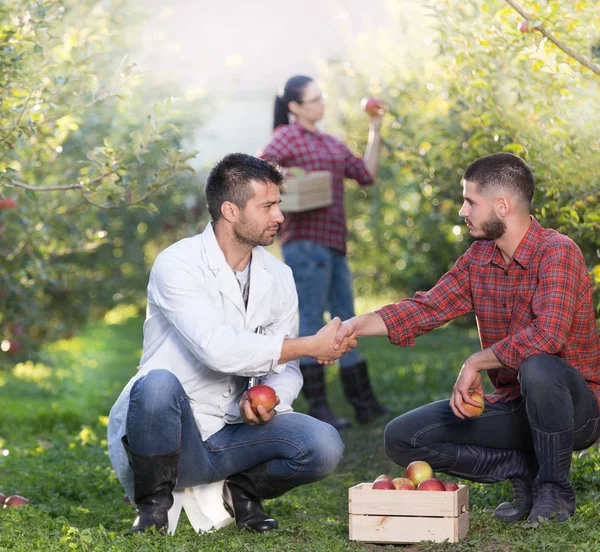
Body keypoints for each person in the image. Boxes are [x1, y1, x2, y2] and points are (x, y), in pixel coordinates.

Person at [334, 152, 600, 524]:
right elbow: (428, 308)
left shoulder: (557, 252)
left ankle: (554, 490)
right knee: (403, 437)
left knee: (539, 366)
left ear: (502, 205)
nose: (462, 211)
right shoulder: (479, 258)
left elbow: (548, 336)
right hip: (515, 404)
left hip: (577, 411)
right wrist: (356, 325)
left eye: (470, 201)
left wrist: (476, 360)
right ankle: (521, 468)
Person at [107, 153, 355, 535]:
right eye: (268, 206)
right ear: (231, 211)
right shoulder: (178, 263)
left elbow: (283, 368)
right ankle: (153, 510)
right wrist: (307, 345)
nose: (280, 216)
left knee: (323, 445)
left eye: (279, 204)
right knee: (156, 384)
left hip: (232, 433)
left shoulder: (279, 275)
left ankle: (240, 491)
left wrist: (270, 396)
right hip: (171, 436)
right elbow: (216, 348)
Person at [257, 75, 388, 430]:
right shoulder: (286, 136)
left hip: (334, 243)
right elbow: (257, 172)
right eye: (313, 99)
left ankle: (363, 403)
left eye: (321, 97)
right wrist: (289, 177)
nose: (320, 104)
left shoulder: (330, 142)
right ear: (295, 107)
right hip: (304, 243)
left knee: (347, 319)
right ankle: (318, 406)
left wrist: (375, 127)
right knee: (313, 320)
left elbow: (366, 174)